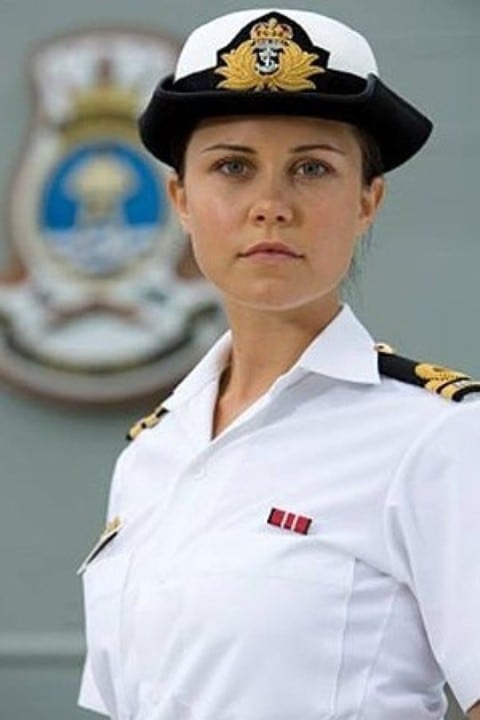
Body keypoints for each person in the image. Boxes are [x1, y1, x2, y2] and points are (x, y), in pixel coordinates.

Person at [78, 8, 480, 720]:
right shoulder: (152, 455)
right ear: (181, 199)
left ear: (367, 201)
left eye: (311, 168)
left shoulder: (441, 437)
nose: (270, 205)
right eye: (232, 167)